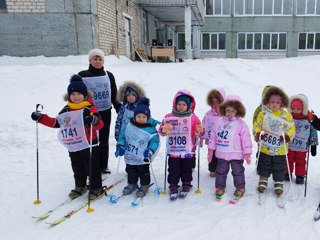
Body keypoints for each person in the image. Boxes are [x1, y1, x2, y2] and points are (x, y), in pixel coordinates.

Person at [31, 75, 104, 200]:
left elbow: (100, 125)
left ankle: (96, 187)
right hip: (74, 144)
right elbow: (57, 123)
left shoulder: (89, 108)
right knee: (77, 166)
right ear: (69, 96)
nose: (76, 97)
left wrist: (92, 119)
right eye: (73, 94)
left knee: (91, 166)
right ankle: (80, 186)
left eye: (79, 94)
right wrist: (41, 118)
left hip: (89, 143)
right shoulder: (66, 109)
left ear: (84, 94)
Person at [78, 48, 121, 174]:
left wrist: (118, 106)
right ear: (90, 61)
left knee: (104, 138)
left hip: (105, 111)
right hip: (89, 112)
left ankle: (103, 165)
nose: (97, 61)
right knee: (90, 139)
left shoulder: (109, 75)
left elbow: (113, 92)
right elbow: (77, 93)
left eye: (100, 59)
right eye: (95, 59)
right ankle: (92, 165)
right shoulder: (82, 75)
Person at [159, 90, 203, 200]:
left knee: (187, 169)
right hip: (174, 151)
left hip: (188, 150)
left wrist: (199, 130)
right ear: (175, 104)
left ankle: (186, 184)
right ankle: (173, 186)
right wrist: (164, 129)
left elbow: (199, 131)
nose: (181, 106)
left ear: (189, 105)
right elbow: (161, 131)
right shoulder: (169, 116)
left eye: (184, 104)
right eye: (179, 104)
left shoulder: (193, 117)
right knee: (173, 169)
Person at [253, 86, 296, 197]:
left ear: (282, 103)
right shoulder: (263, 114)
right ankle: (263, 179)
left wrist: (287, 137)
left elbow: (292, 128)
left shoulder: (286, 115)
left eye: (277, 102)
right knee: (264, 164)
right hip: (265, 147)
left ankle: (278, 182)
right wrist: (258, 134)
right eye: (272, 102)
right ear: (267, 101)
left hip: (280, 148)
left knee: (279, 166)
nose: (274, 104)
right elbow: (257, 126)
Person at [207, 95, 252, 199]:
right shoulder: (219, 122)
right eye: (227, 110)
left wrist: (247, 152)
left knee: (238, 171)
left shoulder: (241, 124)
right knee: (221, 171)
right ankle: (220, 187)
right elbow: (213, 136)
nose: (230, 113)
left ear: (238, 111)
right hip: (222, 153)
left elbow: (246, 139)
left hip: (236, 154)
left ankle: (240, 187)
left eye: (232, 110)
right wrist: (210, 150)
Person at [115, 98, 160, 197]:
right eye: (138, 116)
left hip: (142, 157)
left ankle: (144, 185)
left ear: (148, 118)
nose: (141, 119)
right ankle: (132, 184)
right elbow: (123, 137)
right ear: (134, 116)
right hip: (130, 155)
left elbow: (155, 142)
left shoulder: (151, 130)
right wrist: (120, 146)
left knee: (143, 171)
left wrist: (150, 151)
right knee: (130, 170)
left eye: (144, 117)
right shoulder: (129, 126)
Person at [286, 94, 318, 184]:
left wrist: (313, 146)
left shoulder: (308, 118)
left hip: (302, 147)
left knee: (301, 161)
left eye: (298, 108)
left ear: (303, 108)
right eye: (293, 108)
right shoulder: (288, 117)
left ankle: (300, 176)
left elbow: (313, 132)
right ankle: (287, 173)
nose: (295, 110)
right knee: (288, 160)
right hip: (290, 145)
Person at [201, 88, 226, 177]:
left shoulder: (226, 113)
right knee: (212, 154)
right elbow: (204, 125)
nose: (215, 105)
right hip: (211, 139)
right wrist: (202, 137)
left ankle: (221, 169)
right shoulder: (208, 114)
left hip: (223, 140)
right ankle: (212, 169)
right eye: (213, 102)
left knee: (222, 155)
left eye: (218, 102)